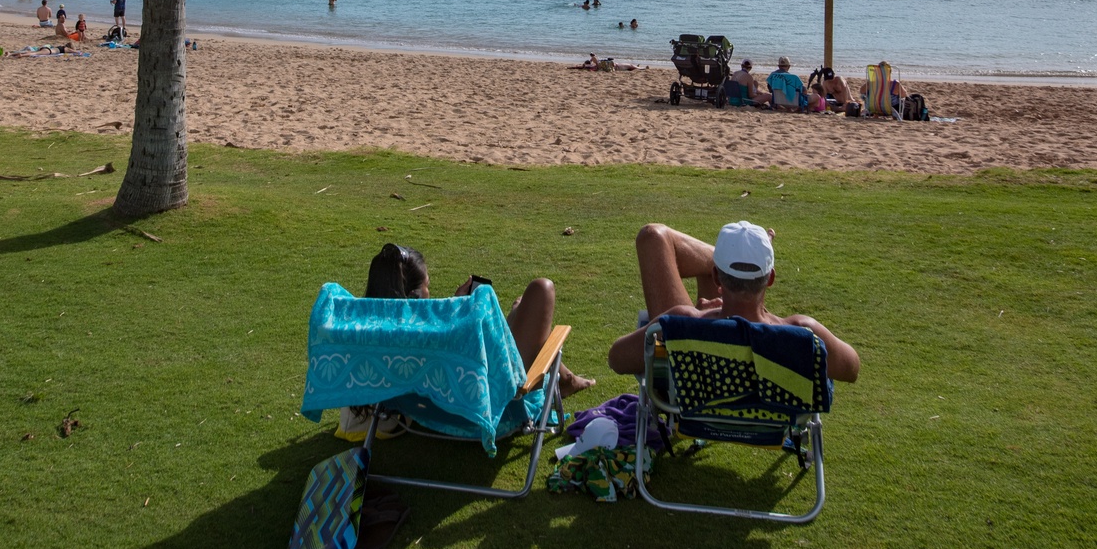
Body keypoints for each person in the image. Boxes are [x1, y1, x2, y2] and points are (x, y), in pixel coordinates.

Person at [607, 221, 860, 384]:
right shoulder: (803, 332)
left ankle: (730, 258)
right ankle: (744, 260)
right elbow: (852, 368)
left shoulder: (684, 320)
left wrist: (708, 315)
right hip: (772, 423)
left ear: (716, 276)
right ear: (770, 279)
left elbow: (617, 358)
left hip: (694, 407)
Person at [364, 244, 595, 397]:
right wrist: (464, 308)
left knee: (519, 313)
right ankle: (566, 379)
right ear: (414, 295)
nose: (430, 295)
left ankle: (567, 378)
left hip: (431, 409)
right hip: (491, 403)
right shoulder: (430, 330)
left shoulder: (370, 335)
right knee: (541, 290)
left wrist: (454, 307)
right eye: (428, 288)